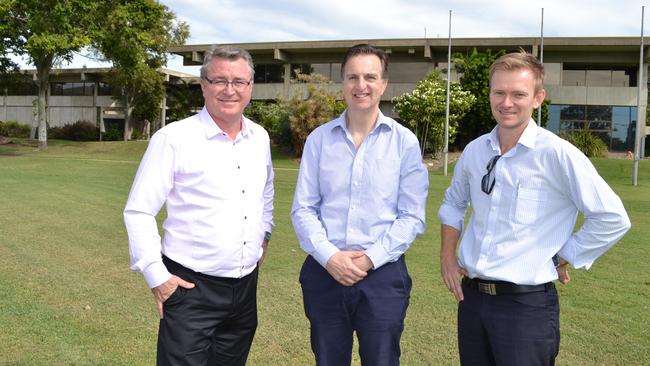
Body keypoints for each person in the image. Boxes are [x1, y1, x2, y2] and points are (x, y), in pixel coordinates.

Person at [438, 51, 631, 365]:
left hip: (525, 309)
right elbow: (453, 203)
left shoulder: (556, 154)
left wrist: (562, 255)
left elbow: (612, 217)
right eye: (499, 92)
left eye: (518, 94)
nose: (507, 103)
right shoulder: (475, 151)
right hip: (472, 301)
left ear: (538, 98)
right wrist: (447, 255)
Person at [124, 46, 274, 366]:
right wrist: (156, 276)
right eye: (219, 80)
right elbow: (138, 210)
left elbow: (266, 192)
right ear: (203, 84)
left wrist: (264, 236)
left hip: (245, 290)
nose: (229, 90)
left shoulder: (259, 137)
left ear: (250, 87)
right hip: (191, 290)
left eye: (239, 82)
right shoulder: (174, 138)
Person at [291, 44, 429, 366]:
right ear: (343, 83)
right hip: (325, 273)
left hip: (383, 276)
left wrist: (368, 260)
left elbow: (411, 216)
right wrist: (331, 257)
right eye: (353, 77)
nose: (361, 85)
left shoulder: (404, 142)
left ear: (383, 84)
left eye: (370, 76)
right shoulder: (319, 139)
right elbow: (303, 209)